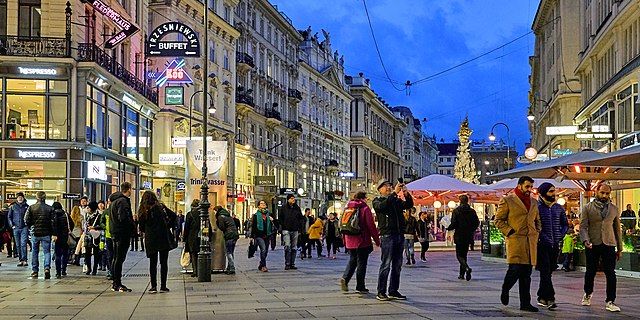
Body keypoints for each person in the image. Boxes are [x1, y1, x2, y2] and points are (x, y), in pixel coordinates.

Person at [494, 176, 541, 312]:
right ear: (519, 186)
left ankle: (525, 303)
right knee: (514, 270)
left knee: (526, 274)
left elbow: (537, 219)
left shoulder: (533, 201)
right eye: (527, 186)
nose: (529, 190)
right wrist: (509, 232)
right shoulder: (508, 200)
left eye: (531, 187)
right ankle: (505, 288)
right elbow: (498, 220)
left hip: (530, 241)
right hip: (515, 240)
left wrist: (537, 231)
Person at [580, 183, 623, 312]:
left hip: (609, 243)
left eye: (607, 193)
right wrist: (585, 240)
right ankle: (588, 293)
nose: (604, 196)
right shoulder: (588, 208)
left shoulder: (614, 209)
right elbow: (583, 226)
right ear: (596, 192)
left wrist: (619, 248)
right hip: (593, 243)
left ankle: (610, 300)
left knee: (610, 273)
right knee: (590, 271)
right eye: (602, 193)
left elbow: (617, 229)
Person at [373, 179, 413, 301]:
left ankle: (393, 290)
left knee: (397, 265)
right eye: (385, 186)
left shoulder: (395, 200)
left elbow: (408, 205)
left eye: (390, 186)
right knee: (386, 264)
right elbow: (384, 206)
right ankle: (381, 291)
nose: (389, 188)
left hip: (399, 234)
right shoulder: (377, 201)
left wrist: (406, 194)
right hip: (387, 235)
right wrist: (394, 194)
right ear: (379, 189)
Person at [535, 182, 568, 310]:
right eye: (550, 191)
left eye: (553, 191)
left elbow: (565, 224)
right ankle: (550, 298)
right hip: (542, 244)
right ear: (543, 193)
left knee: (548, 272)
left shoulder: (558, 208)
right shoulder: (537, 207)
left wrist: (561, 235)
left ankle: (541, 296)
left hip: (555, 244)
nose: (553, 194)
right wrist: (543, 237)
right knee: (545, 269)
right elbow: (536, 226)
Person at [341, 191, 380, 293]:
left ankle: (345, 278)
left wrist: (344, 240)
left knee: (352, 260)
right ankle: (360, 286)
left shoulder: (347, 208)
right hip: (362, 241)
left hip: (350, 241)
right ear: (363, 198)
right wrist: (377, 240)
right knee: (361, 263)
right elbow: (371, 226)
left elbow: (344, 225)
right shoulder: (365, 208)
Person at [138, 191, 176, 293]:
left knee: (152, 263)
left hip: (151, 239)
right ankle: (163, 286)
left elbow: (141, 226)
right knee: (164, 263)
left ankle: (153, 286)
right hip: (163, 238)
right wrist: (168, 226)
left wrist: (146, 230)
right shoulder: (161, 207)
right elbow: (173, 216)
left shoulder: (143, 210)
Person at [109, 181, 135, 292]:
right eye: (131, 189)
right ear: (128, 189)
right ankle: (117, 283)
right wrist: (131, 224)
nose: (131, 191)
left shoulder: (114, 201)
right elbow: (123, 217)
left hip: (115, 232)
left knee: (116, 258)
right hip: (122, 233)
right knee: (119, 258)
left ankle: (115, 282)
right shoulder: (123, 202)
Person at [447, 195, 480, 281]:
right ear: (467, 201)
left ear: (460, 201)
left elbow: (454, 223)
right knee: (464, 255)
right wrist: (471, 229)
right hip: (468, 235)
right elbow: (476, 222)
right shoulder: (472, 211)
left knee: (459, 255)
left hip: (459, 235)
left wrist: (449, 228)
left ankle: (467, 268)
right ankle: (461, 274)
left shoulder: (456, 211)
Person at [24, 191, 55, 279]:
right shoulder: (50, 208)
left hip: (35, 233)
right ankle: (46, 268)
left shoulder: (31, 207)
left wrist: (31, 227)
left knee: (34, 252)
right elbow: (53, 222)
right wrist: (53, 232)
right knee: (47, 252)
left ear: (36, 198)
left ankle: (34, 271)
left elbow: (26, 220)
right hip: (46, 233)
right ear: (45, 197)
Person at [279, 194, 303, 270]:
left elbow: (300, 218)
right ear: (288, 199)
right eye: (292, 198)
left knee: (294, 248)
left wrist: (299, 227)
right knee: (287, 246)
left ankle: (292, 263)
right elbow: (280, 218)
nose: (293, 200)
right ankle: (287, 263)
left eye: (294, 198)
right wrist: (282, 226)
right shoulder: (284, 208)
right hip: (286, 229)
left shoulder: (297, 208)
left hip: (295, 230)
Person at [215, 206, 239, 275]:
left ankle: (232, 268)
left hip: (229, 235)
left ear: (217, 210)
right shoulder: (227, 215)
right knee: (231, 252)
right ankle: (229, 268)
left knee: (228, 252)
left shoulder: (220, 216)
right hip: (234, 234)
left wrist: (217, 222)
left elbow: (222, 227)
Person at [52, 202, 73, 278]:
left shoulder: (53, 215)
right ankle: (63, 269)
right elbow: (72, 224)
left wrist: (54, 234)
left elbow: (53, 225)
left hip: (57, 237)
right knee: (65, 254)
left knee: (57, 254)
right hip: (65, 236)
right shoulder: (66, 214)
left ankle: (58, 272)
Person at [250, 200, 273, 272]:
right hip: (259, 235)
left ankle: (261, 263)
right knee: (263, 249)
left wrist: (273, 220)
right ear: (258, 206)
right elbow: (253, 226)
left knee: (265, 251)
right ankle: (264, 266)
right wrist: (252, 236)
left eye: (264, 203)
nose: (263, 204)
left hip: (267, 235)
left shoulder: (269, 215)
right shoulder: (256, 215)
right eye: (261, 203)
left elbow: (275, 225)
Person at [8, 192, 29, 267]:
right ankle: (21, 260)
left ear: (23, 198)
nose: (20, 198)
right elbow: (9, 217)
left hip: (24, 227)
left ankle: (25, 260)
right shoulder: (13, 207)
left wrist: (28, 225)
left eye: (21, 197)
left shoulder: (27, 206)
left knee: (23, 244)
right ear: (16, 198)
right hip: (16, 228)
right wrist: (12, 225)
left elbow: (29, 217)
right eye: (18, 197)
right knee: (18, 245)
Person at [183, 199, 202, 277]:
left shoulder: (189, 214)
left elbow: (186, 227)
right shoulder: (203, 213)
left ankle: (195, 271)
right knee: (201, 253)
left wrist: (184, 238)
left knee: (193, 254)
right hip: (201, 236)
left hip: (191, 236)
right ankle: (201, 270)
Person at [84, 201, 103, 276]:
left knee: (96, 253)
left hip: (95, 236)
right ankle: (89, 268)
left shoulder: (99, 216)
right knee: (87, 253)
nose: (87, 209)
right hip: (87, 236)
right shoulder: (87, 215)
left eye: (88, 207)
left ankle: (95, 268)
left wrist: (94, 227)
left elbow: (102, 226)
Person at [101, 199, 113, 280]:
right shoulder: (106, 212)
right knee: (110, 255)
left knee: (113, 255)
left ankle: (112, 270)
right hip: (109, 236)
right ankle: (110, 270)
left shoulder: (116, 210)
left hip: (114, 235)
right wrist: (106, 228)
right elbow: (102, 222)